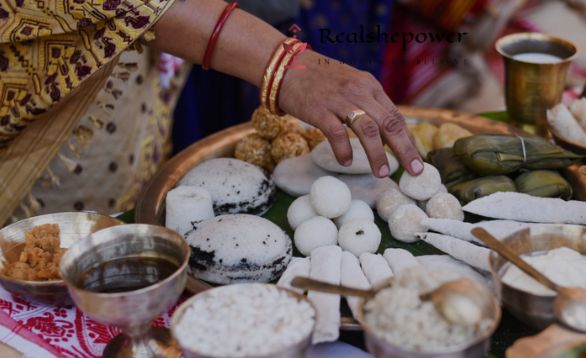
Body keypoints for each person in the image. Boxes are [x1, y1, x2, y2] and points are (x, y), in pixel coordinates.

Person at [0, 0, 422, 224]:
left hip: (134, 70)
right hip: (48, 87)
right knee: (57, 246)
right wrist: (287, 66)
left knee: (134, 184)